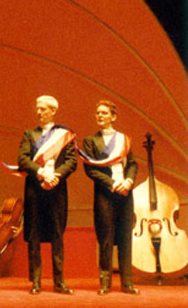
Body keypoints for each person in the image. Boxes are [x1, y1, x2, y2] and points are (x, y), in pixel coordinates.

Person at [18, 95, 77, 295]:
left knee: (57, 235)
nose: (39, 112)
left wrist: (56, 176)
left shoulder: (64, 135)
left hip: (57, 190)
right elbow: (23, 160)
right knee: (34, 234)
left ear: (53, 111)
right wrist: (41, 172)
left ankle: (59, 282)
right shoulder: (29, 134)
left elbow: (71, 161)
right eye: (37, 108)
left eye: (43, 109)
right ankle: (36, 282)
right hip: (35, 190)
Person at [82, 100, 139, 295]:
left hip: (125, 193)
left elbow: (132, 164)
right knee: (105, 238)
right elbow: (91, 169)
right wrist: (113, 184)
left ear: (113, 117)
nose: (100, 116)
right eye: (97, 113)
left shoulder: (124, 139)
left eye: (104, 113)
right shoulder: (90, 141)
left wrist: (128, 181)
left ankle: (127, 283)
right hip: (105, 195)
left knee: (125, 238)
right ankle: (105, 283)